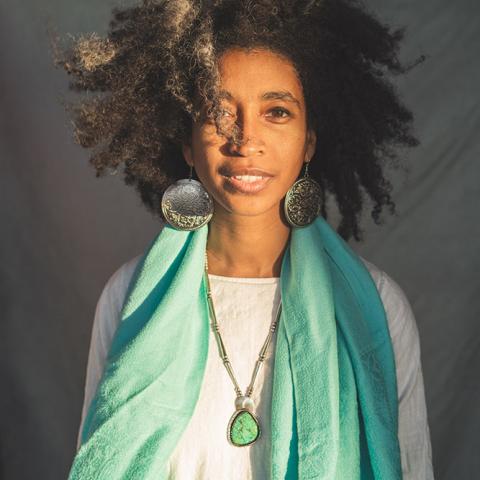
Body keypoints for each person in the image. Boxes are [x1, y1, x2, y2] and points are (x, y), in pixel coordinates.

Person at [53, 0, 433, 478]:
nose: (245, 139)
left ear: (309, 140)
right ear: (187, 144)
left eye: (276, 112)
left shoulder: (375, 306)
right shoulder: (130, 295)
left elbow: (413, 467)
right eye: (218, 111)